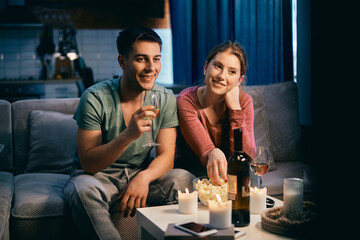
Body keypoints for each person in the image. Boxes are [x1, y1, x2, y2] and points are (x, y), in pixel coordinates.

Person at [63, 26, 195, 240]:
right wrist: (128, 135)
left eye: (156, 59)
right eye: (141, 59)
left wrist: (143, 178)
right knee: (82, 192)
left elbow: (166, 157)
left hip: (137, 173)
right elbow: (89, 163)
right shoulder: (95, 97)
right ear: (122, 62)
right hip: (97, 178)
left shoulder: (165, 97)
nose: (151, 68)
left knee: (184, 179)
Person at [175, 41, 256, 186]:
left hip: (226, 171)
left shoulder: (244, 102)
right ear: (206, 67)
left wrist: (236, 110)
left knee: (253, 182)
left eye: (232, 72)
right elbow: (206, 153)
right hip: (193, 171)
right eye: (218, 66)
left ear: (240, 80)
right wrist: (214, 152)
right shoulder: (186, 100)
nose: (222, 76)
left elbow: (247, 156)